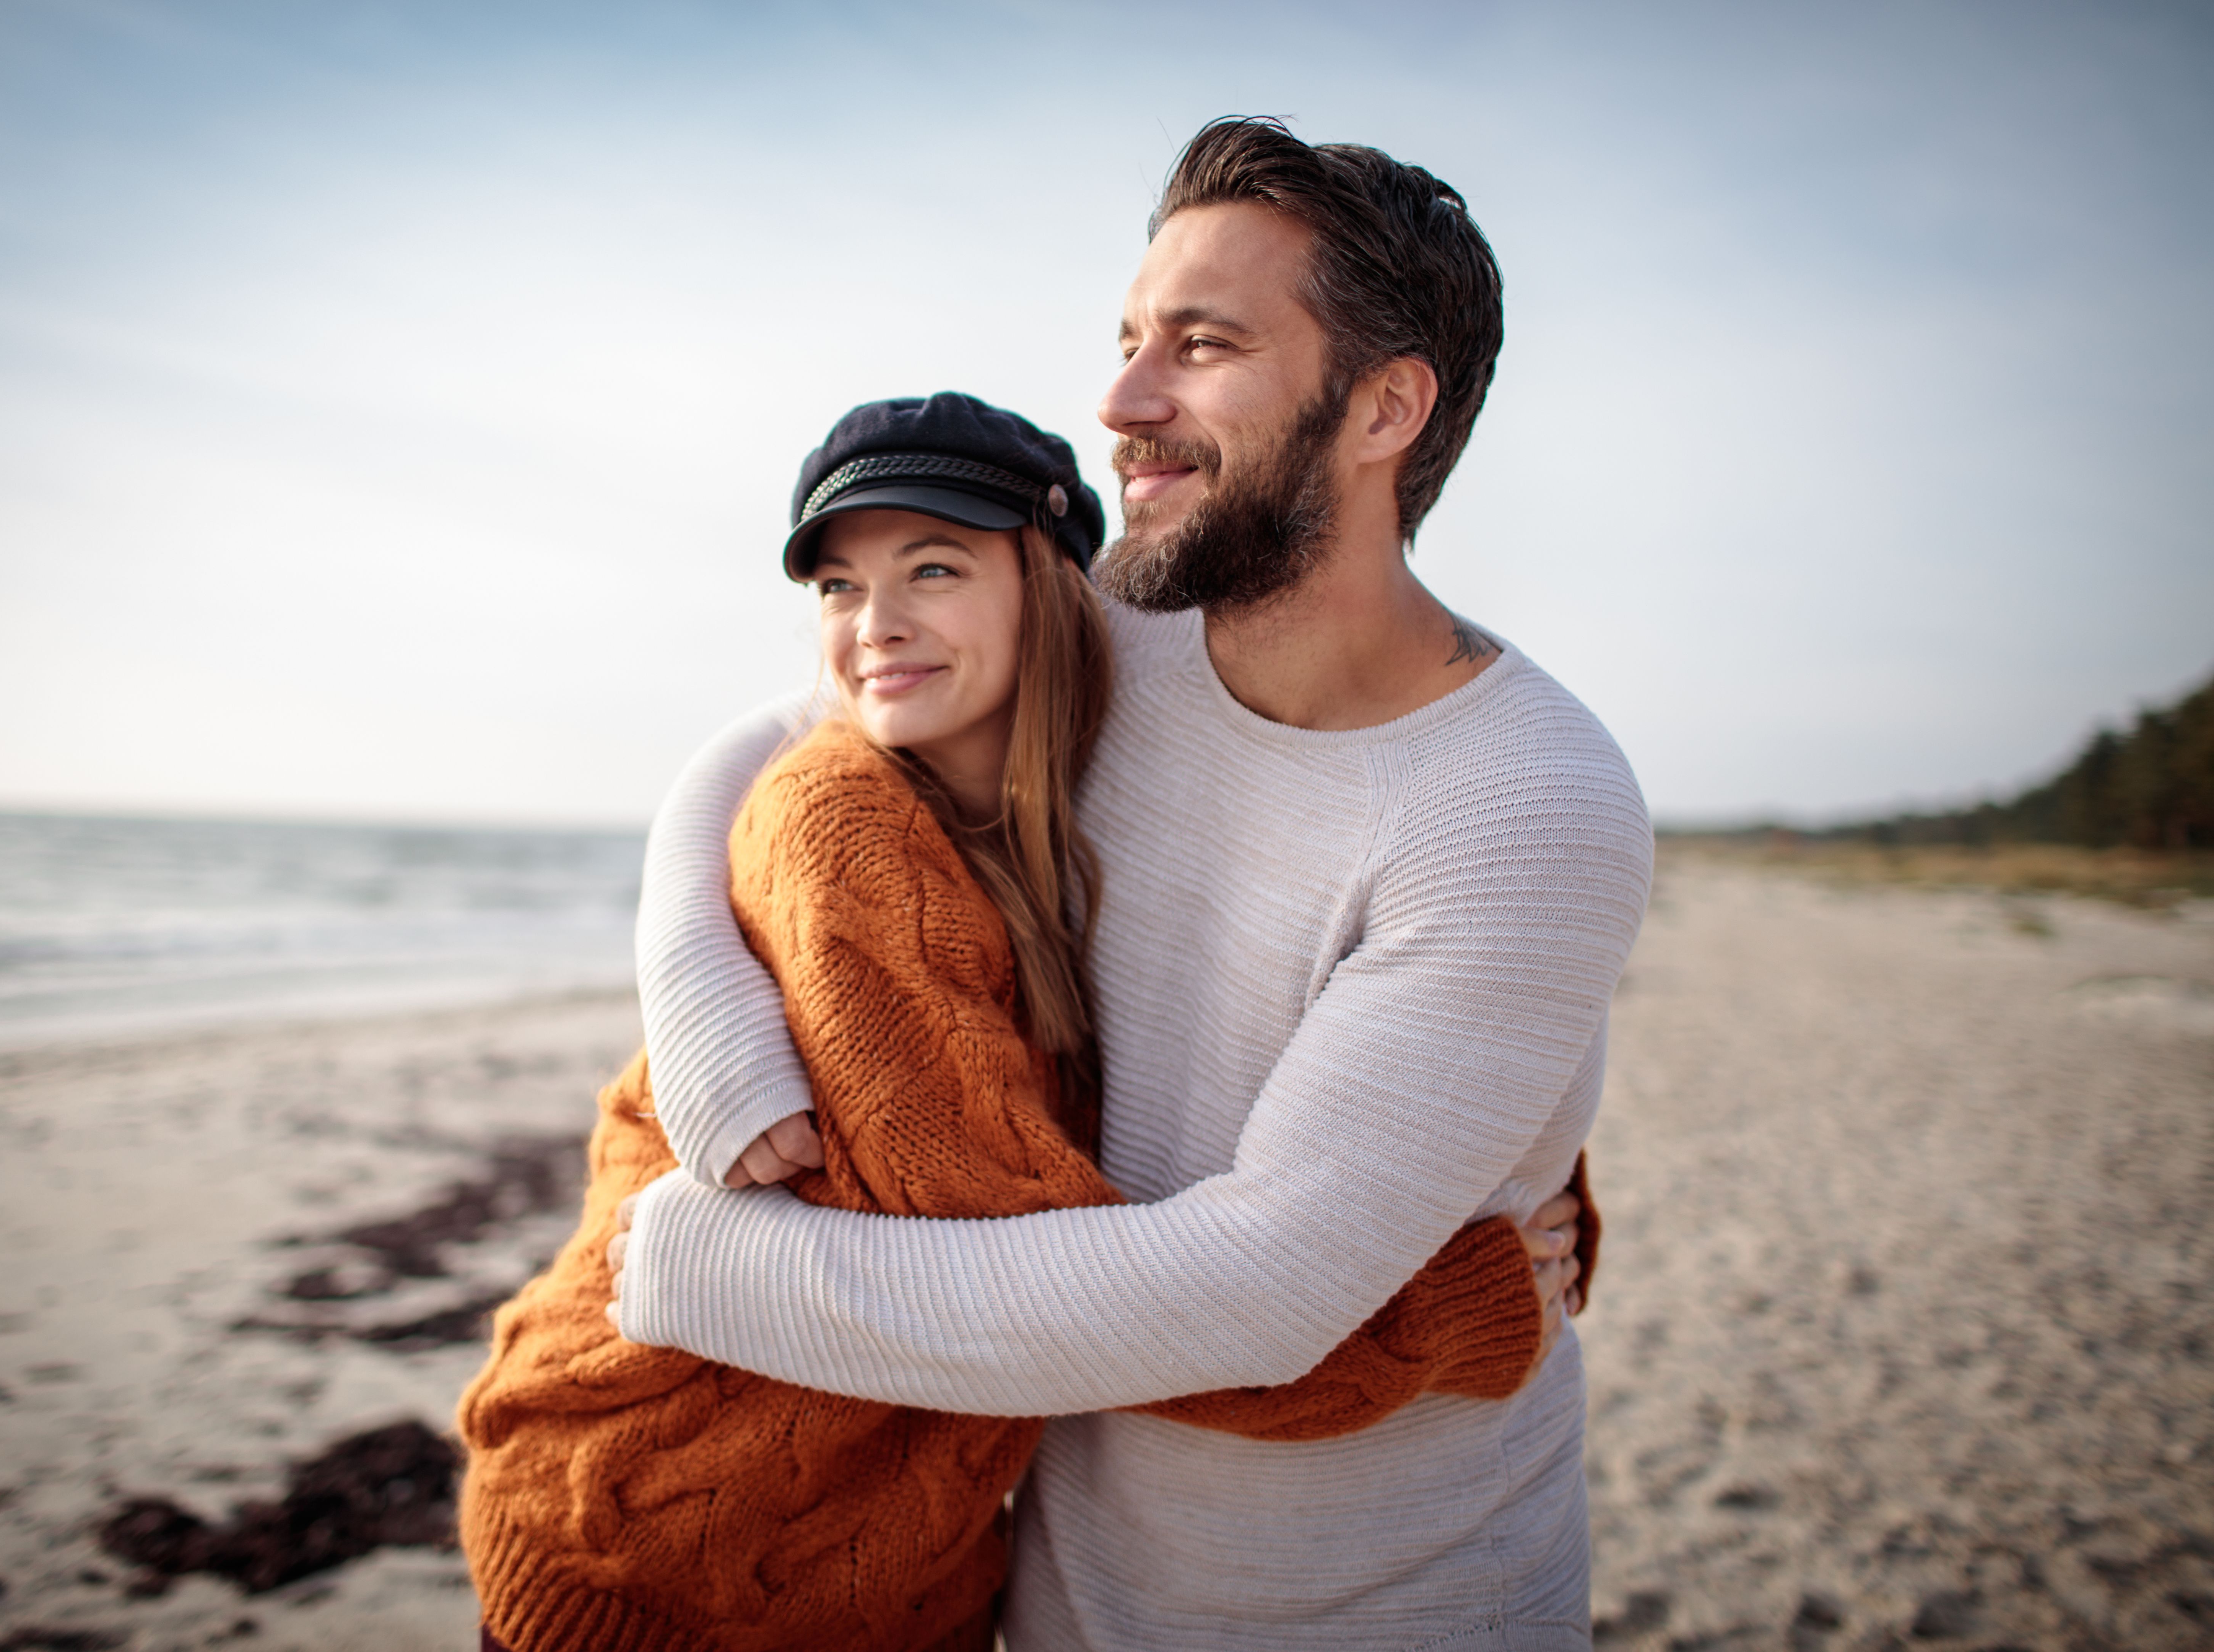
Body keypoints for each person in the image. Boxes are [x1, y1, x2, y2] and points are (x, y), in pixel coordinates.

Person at [609, 121, 1653, 1649]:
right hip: (1060, 1584)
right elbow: (758, 748)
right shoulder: (1126, 632)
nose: (1118, 402)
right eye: (1127, 339)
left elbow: (1255, 1291)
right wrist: (706, 1007)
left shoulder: (1522, 801)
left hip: (1386, 1605)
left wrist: (721, 1270)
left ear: (1386, 407)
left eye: (1203, 345)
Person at [456, 392, 1590, 1652]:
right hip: (671, 1551)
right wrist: (1446, 1308)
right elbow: (1052, 1310)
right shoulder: (848, 834)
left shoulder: (1055, 799)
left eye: (932, 569)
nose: (875, 626)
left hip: (891, 1565)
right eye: (838, 587)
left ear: (1058, 589)